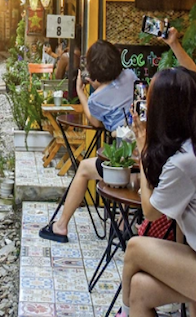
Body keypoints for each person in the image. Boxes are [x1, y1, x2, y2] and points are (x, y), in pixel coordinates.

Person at [120, 67, 196, 317]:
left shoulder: (185, 162)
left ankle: (122, 314)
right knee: (140, 290)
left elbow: (150, 211)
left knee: (134, 247)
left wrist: (144, 151)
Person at [39, 39, 136, 243]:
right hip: (142, 152)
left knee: (83, 168)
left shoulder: (97, 98)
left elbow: (95, 121)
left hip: (124, 159)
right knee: (113, 173)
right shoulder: (130, 76)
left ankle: (61, 225)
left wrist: (82, 93)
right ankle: (121, 221)